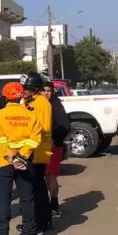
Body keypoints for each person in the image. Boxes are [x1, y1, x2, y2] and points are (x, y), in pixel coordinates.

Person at [0, 82, 43, 235]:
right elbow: (35, 140)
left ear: (5, 97)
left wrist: (11, 156)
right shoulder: (31, 116)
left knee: (4, 200)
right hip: (25, 163)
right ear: (21, 96)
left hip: (4, 163)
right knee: (27, 199)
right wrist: (22, 156)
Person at [20, 72, 54, 232]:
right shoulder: (28, 101)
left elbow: (44, 127)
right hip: (31, 151)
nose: (23, 90)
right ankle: (40, 221)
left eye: (25, 88)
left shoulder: (42, 104)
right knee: (36, 188)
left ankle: (41, 222)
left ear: (34, 88)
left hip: (38, 152)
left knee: (37, 189)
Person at [42, 80, 71, 216]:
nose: (46, 93)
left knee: (50, 175)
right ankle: (48, 205)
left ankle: (54, 206)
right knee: (45, 176)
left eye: (49, 91)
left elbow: (64, 126)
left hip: (54, 146)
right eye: (44, 90)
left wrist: (55, 141)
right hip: (42, 146)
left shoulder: (55, 105)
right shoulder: (42, 104)